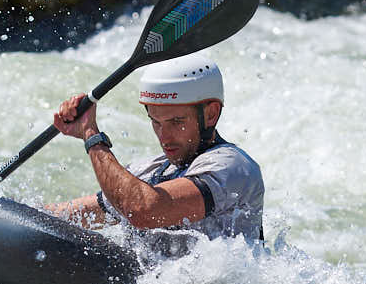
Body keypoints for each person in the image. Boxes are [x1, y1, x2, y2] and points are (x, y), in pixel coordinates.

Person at [43, 54, 265, 243]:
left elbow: (145, 211)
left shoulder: (233, 167)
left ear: (210, 114)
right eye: (156, 122)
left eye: (177, 122)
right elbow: (71, 215)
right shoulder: (148, 172)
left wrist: (91, 136)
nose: (164, 136)